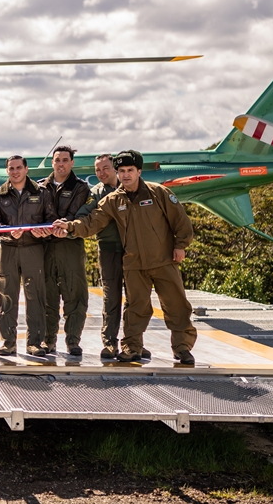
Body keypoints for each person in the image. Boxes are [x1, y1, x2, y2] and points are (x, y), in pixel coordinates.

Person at [52, 150, 199, 364]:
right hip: (134, 263)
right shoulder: (113, 200)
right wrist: (70, 227)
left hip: (163, 260)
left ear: (139, 171)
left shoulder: (158, 193)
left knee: (176, 306)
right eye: (122, 171)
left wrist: (180, 246)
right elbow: (92, 222)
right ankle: (132, 347)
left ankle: (182, 347)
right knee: (136, 309)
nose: (126, 175)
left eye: (130, 170)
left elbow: (181, 221)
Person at [76, 153, 141, 360]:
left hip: (134, 250)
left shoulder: (133, 188)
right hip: (109, 249)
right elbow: (82, 216)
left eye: (105, 168)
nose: (101, 173)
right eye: (97, 170)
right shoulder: (95, 193)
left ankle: (134, 343)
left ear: (115, 169)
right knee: (111, 297)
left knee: (135, 298)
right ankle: (110, 343)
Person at [0, 155, 55, 357]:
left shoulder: (42, 193)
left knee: (35, 295)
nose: (15, 171)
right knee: (7, 295)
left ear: (26, 169)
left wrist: (44, 231)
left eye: (19, 167)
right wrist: (8, 232)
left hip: (33, 249)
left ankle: (34, 342)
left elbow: (51, 220)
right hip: (8, 249)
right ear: (7, 171)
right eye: (11, 168)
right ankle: (8, 342)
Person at [39, 145, 91, 356]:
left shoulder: (80, 188)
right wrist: (42, 228)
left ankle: (73, 341)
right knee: (47, 294)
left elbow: (76, 213)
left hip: (70, 245)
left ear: (72, 163)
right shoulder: (41, 187)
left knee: (75, 294)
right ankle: (48, 340)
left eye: (65, 160)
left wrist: (63, 226)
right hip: (46, 246)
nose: (61, 164)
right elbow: (37, 213)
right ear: (52, 162)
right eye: (57, 160)